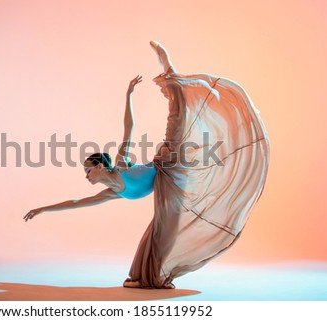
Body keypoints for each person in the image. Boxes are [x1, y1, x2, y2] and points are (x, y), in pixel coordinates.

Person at [23, 41, 270, 289]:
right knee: (162, 232)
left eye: (88, 169)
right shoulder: (111, 193)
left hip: (169, 163)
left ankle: (169, 69)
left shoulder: (120, 165)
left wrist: (128, 95)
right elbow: (76, 203)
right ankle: (144, 278)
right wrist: (43, 209)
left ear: (101, 166)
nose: (86, 175)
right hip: (170, 186)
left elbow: (128, 128)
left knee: (178, 117)